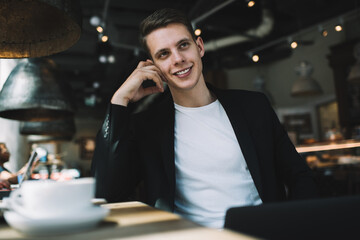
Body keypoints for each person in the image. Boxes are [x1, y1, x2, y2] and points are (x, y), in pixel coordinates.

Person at [91, 8, 318, 229]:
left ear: (199, 47)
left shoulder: (253, 106)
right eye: (164, 54)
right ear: (153, 66)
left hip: (260, 232)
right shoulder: (146, 126)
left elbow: (299, 175)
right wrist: (119, 101)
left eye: (183, 45)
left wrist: (295, 227)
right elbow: (107, 193)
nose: (178, 59)